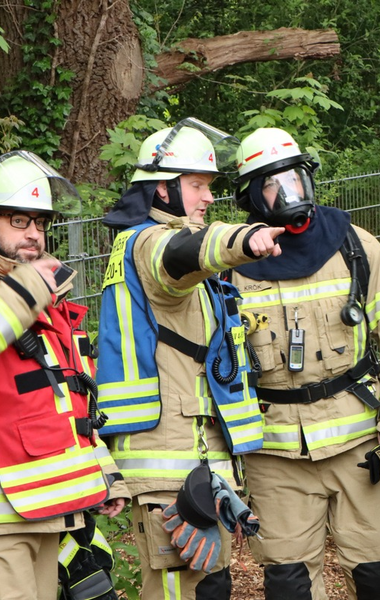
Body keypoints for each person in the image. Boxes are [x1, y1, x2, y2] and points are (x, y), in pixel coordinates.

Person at [229, 127, 380, 599]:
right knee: (289, 581)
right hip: (273, 451)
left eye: (295, 177)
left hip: (360, 440)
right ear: (254, 195)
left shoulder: (352, 244)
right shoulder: (230, 262)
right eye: (274, 184)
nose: (289, 191)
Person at [95, 118, 282, 599]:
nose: (207, 197)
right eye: (196, 185)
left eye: (210, 186)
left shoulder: (147, 241)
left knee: (209, 587)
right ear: (161, 190)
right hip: (166, 466)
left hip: (190, 456)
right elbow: (182, 253)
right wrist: (244, 240)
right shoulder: (148, 242)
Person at [0, 151, 129, 600]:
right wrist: (33, 286)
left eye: (40, 222)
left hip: (45, 509)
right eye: (19, 220)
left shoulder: (51, 303)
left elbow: (69, 403)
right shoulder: (30, 295)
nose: (34, 234)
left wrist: (102, 474)